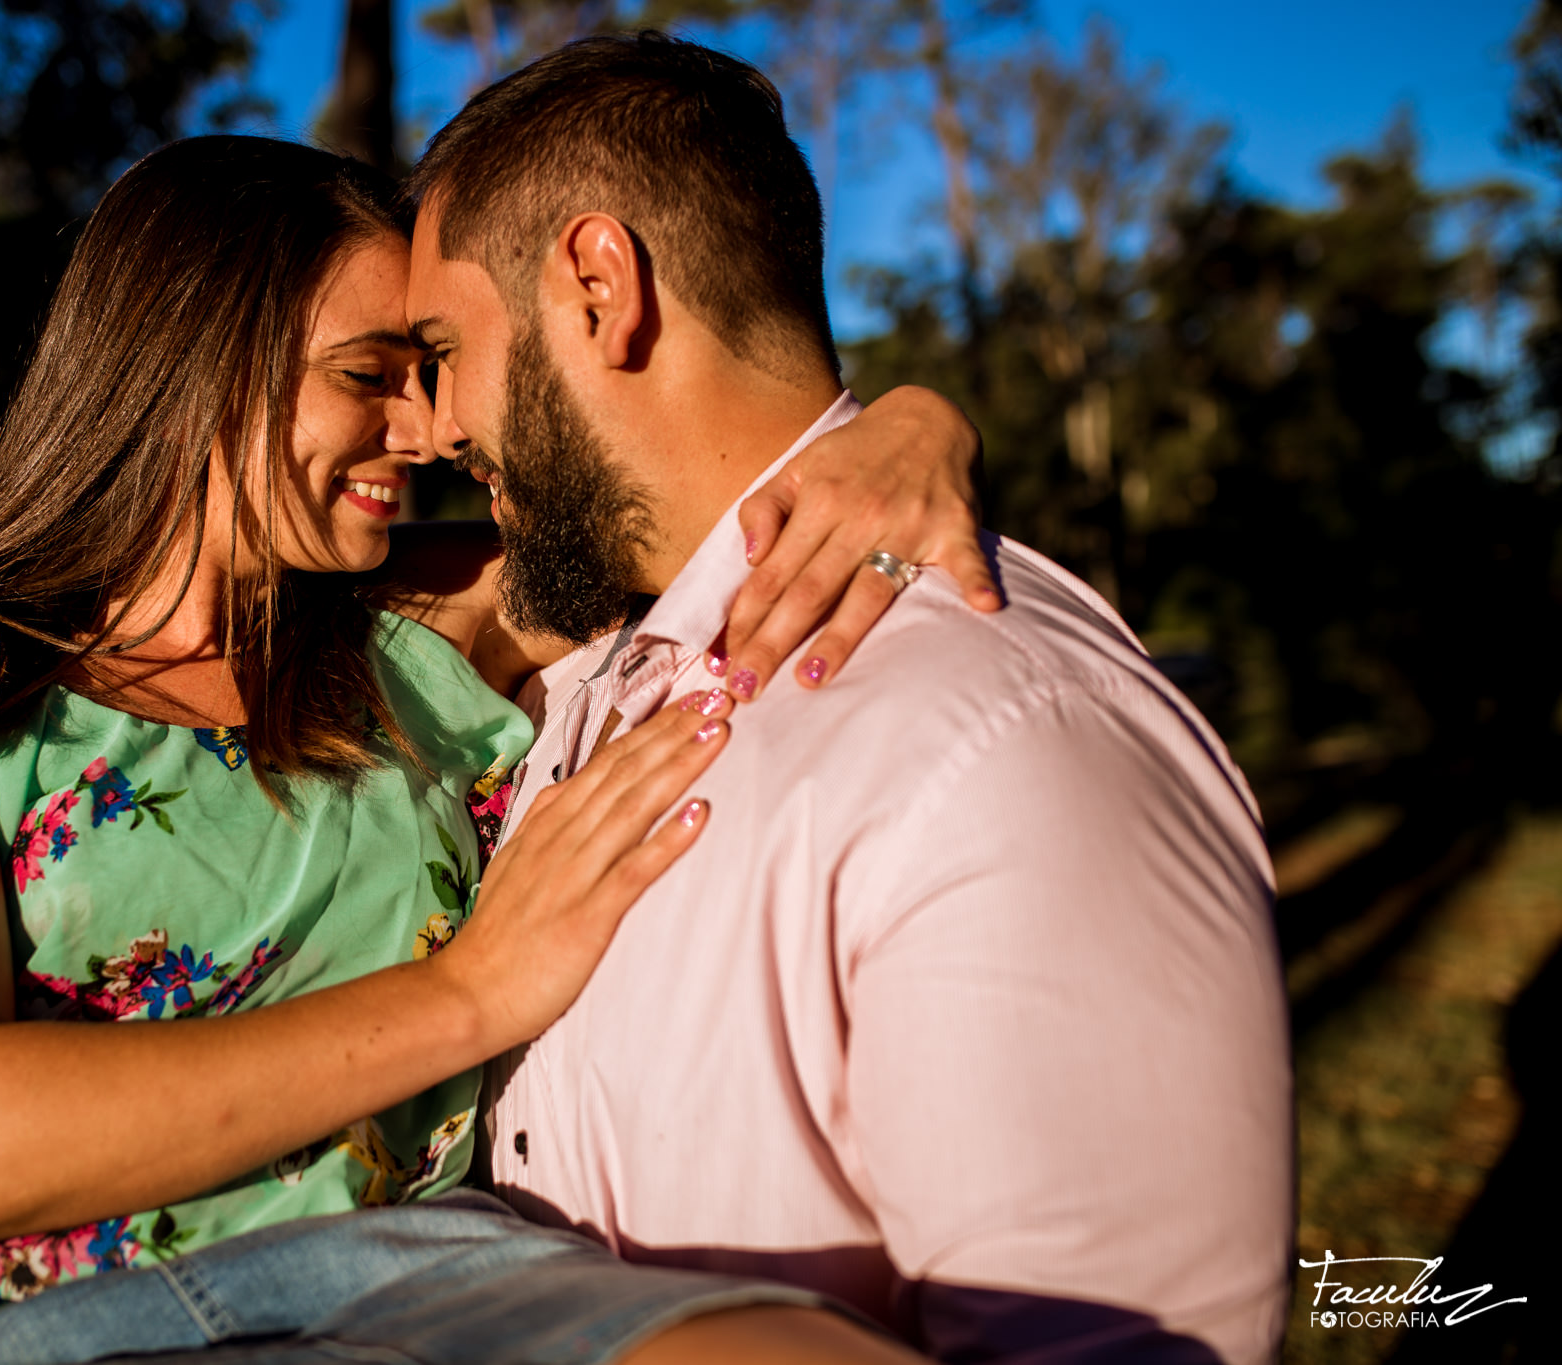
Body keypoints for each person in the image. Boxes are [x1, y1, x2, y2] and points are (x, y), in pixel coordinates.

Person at [0, 134, 990, 1363]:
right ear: (198, 355)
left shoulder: (425, 633)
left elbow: (716, 497)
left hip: (411, 1277)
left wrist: (913, 426)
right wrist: (468, 995)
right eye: (370, 374)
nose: (427, 427)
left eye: (427, 369)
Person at [403, 32, 1294, 1365]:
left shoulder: (998, 741)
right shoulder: (589, 665)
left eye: (440, 351)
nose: (430, 424)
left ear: (598, 285)